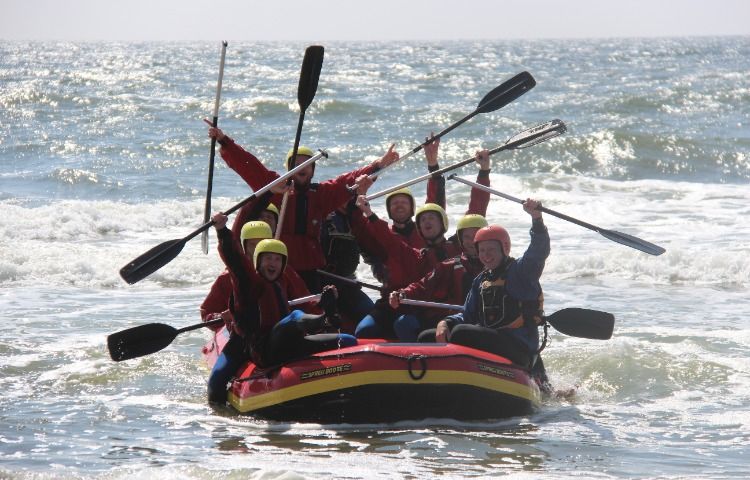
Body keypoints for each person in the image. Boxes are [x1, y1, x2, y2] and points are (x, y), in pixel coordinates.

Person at [206, 121, 398, 294]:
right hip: (280, 266)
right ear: (289, 167)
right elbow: (249, 166)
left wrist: (378, 165)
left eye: (306, 164)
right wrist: (224, 141)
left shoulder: (320, 195)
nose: (301, 167)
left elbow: (347, 182)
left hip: (311, 267)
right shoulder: (276, 186)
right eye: (296, 164)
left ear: (312, 170)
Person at [206, 212, 357, 405]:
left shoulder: (285, 278)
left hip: (289, 341)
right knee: (217, 380)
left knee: (348, 340)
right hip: (259, 346)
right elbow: (235, 259)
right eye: (267, 258)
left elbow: (305, 303)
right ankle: (325, 320)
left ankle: (341, 392)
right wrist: (222, 231)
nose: (273, 264)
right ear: (257, 261)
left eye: (278, 260)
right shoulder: (248, 282)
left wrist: (322, 302)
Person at [433, 199, 549, 371]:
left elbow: (539, 250)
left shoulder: (521, 271)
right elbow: (468, 316)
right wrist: (446, 322)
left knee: (461, 333)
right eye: (482, 251)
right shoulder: (481, 280)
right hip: (494, 341)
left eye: (491, 250)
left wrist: (537, 219)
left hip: (519, 346)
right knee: (428, 335)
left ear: (505, 248)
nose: (486, 255)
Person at [388, 214, 488, 341]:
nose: (471, 241)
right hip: (454, 319)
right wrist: (401, 294)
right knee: (404, 324)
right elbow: (422, 286)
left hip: (483, 321)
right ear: (461, 240)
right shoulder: (450, 265)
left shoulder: (495, 266)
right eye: (466, 237)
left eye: (475, 236)